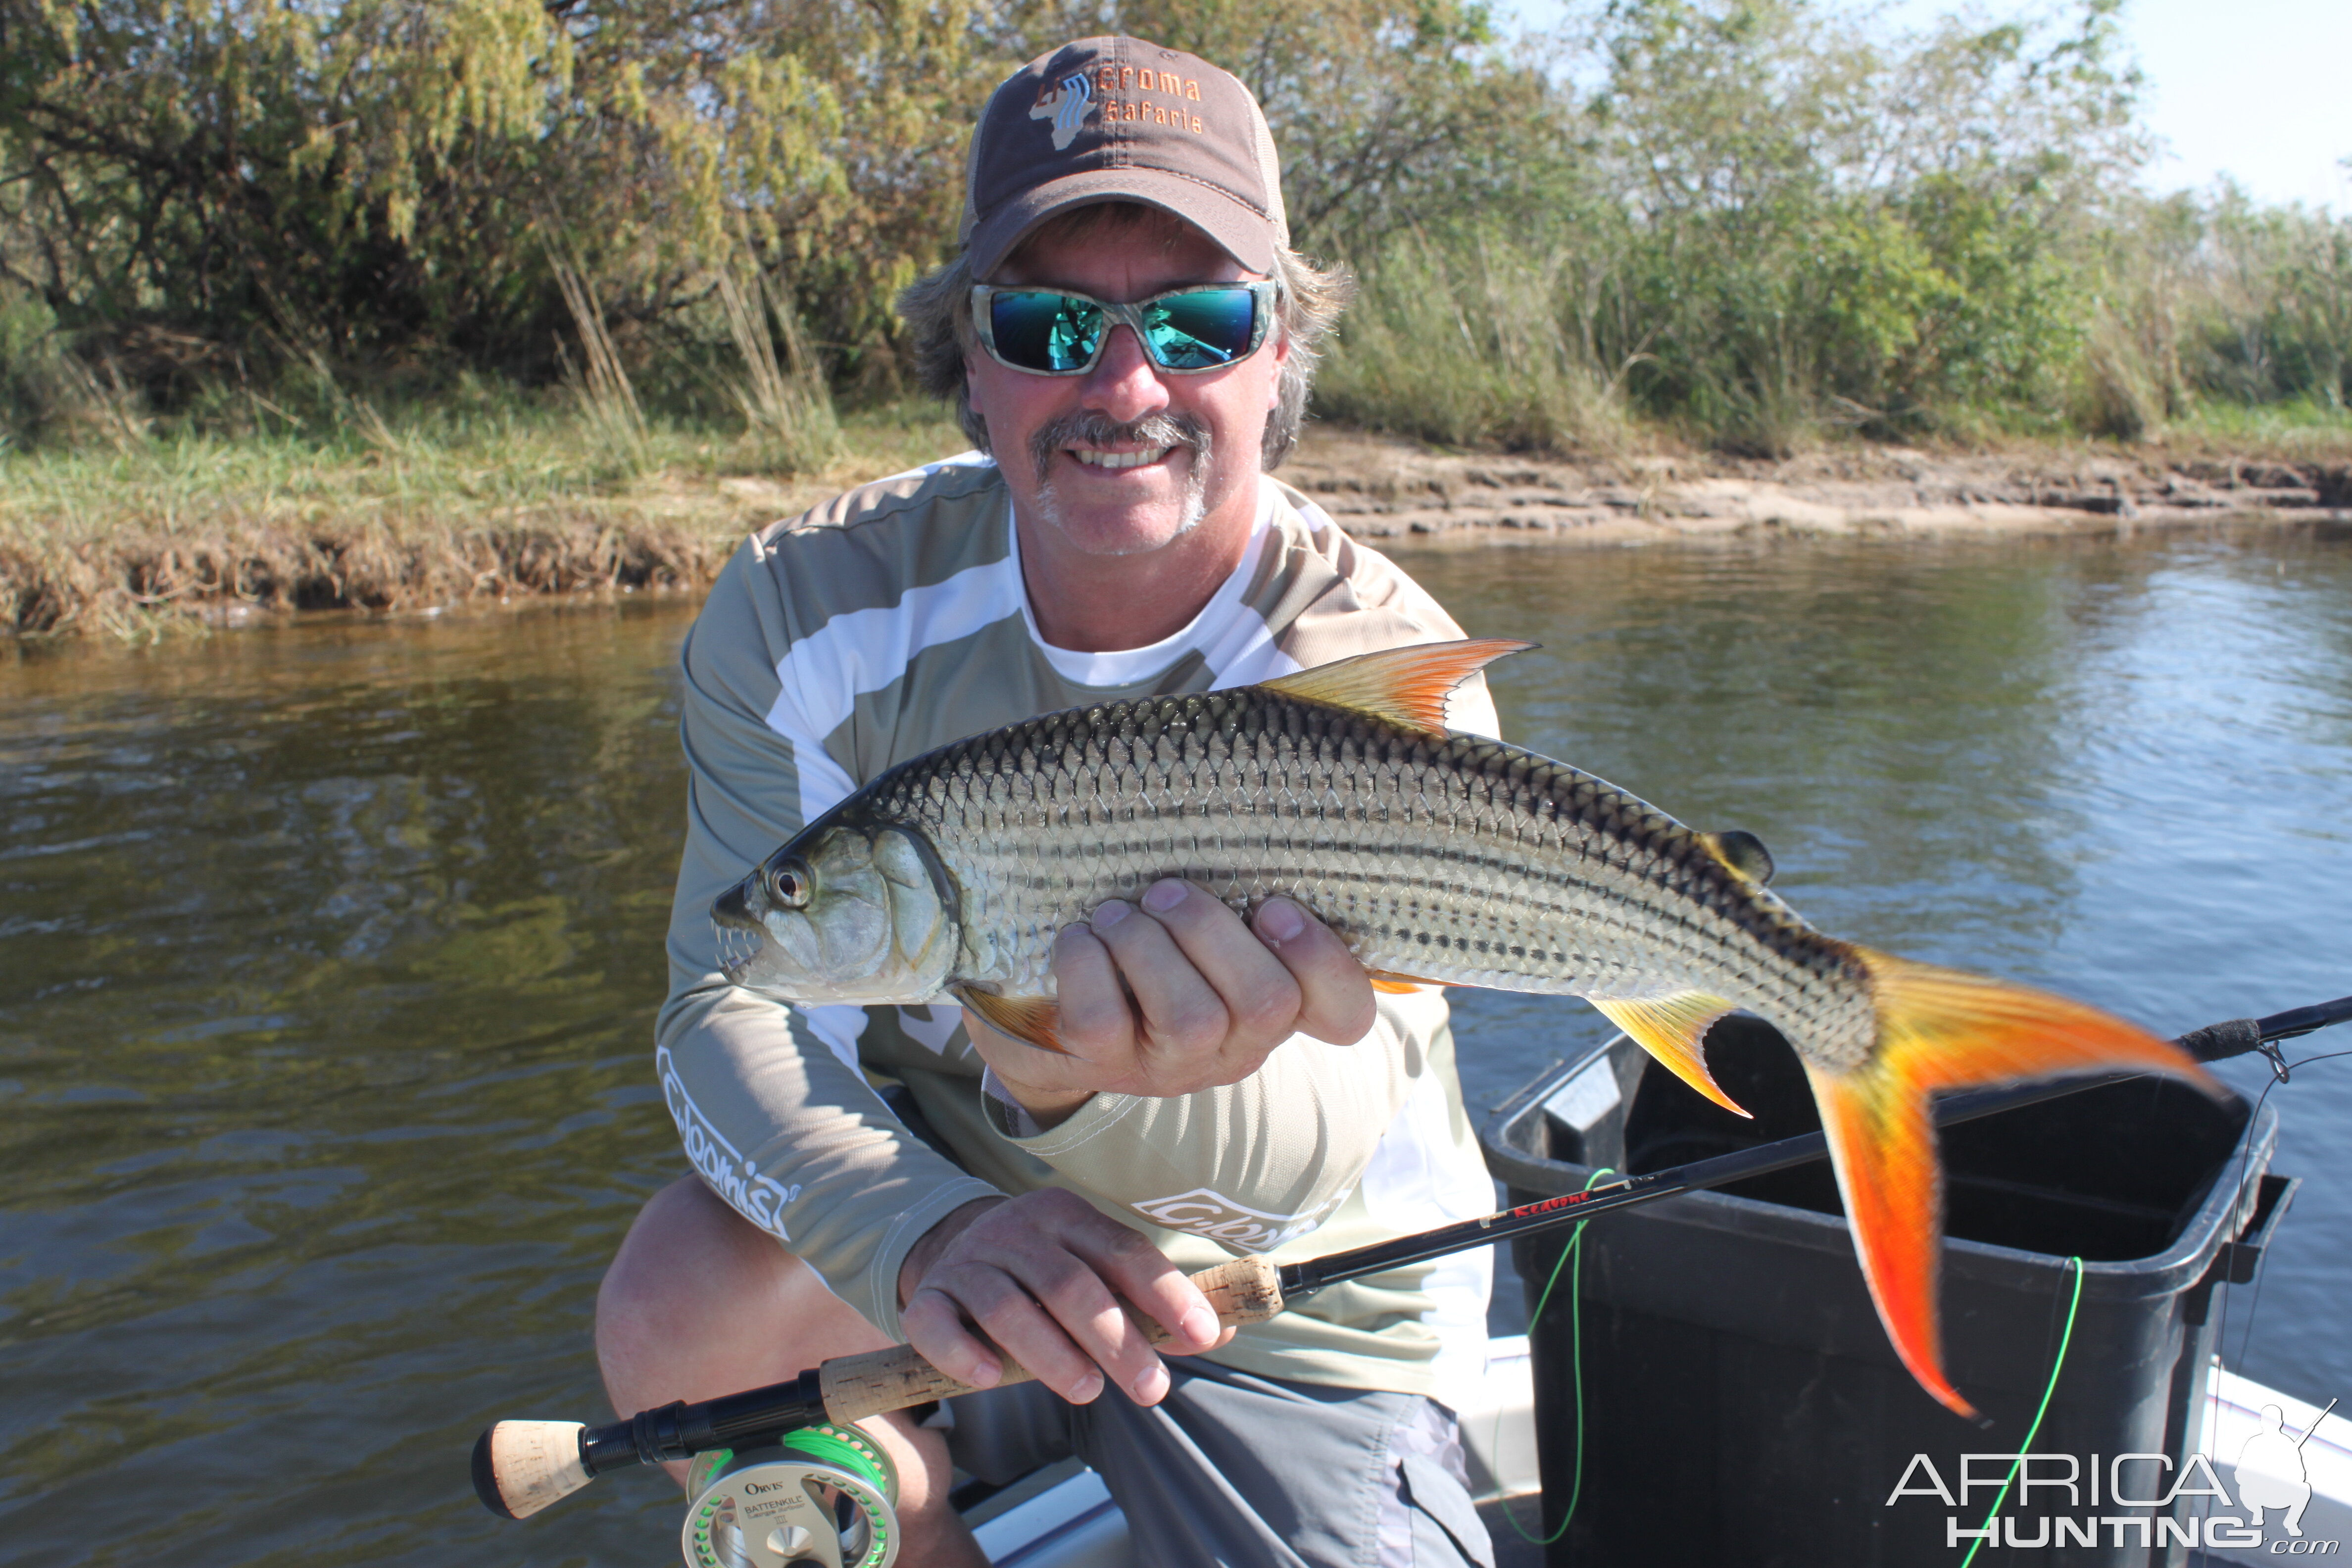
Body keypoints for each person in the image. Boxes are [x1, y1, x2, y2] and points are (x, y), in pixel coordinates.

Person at [596, 37, 1502, 1568]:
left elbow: (1307, 1159)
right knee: (684, 1298)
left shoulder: (1379, 663)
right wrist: (927, 1231)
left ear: (1281, 355)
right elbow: (723, 1007)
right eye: (1049, 320)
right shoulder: (802, 606)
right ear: (971, 358)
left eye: (1203, 321)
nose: (1125, 383)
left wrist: (1098, 1084)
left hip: (1313, 1295)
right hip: (939, 1227)